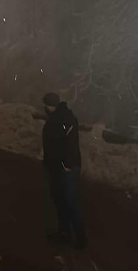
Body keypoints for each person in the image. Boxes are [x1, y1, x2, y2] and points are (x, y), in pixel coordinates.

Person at [41, 92, 86, 249]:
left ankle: (81, 239)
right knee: (60, 200)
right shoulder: (60, 118)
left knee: (70, 201)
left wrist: (67, 165)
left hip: (65, 168)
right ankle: (64, 233)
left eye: (46, 105)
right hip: (58, 166)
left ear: (50, 105)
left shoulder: (64, 119)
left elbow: (70, 144)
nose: (45, 108)